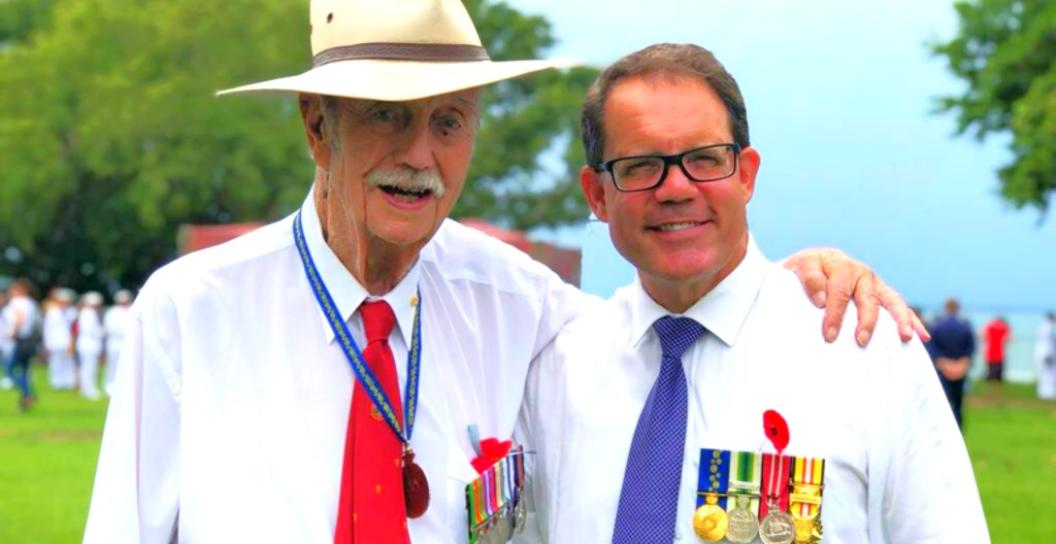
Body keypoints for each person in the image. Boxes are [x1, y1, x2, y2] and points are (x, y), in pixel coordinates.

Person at [84, 2, 924, 542]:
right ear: (317, 126)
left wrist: (795, 281)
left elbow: (673, 311)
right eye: (387, 117)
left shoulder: (521, 305)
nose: (421, 155)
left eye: (449, 122)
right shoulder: (194, 310)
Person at [521, 43, 985, 543]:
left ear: (745, 175)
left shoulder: (866, 354)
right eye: (640, 166)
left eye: (704, 160)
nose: (675, 188)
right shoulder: (557, 369)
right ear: (597, 194)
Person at [927, 298, 976, 428]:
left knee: (942, 401)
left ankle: (943, 429)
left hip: (942, 369)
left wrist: (944, 364)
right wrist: (962, 365)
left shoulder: (936, 326)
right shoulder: (965, 327)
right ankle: (958, 429)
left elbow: (932, 348)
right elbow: (970, 348)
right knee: (958, 403)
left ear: (946, 308)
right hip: (960, 369)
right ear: (958, 309)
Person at [3, 278, 41, 410]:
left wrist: (12, 332)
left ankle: (28, 393)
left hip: (21, 340)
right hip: (30, 340)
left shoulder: (17, 302)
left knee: (10, 370)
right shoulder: (32, 303)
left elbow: (19, 318)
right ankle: (25, 398)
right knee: (24, 370)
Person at [43, 287, 77, 390]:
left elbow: (74, 329)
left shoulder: (73, 312)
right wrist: (47, 343)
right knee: (56, 362)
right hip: (55, 341)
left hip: (68, 341)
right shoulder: (52, 312)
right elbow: (47, 329)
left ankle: (68, 381)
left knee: (68, 362)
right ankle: (56, 382)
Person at [102, 289, 134, 396]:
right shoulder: (112, 312)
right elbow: (110, 328)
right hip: (115, 341)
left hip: (128, 341)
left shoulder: (132, 310)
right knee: (113, 365)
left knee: (128, 366)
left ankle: (125, 388)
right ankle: (109, 387)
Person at [76, 291, 105, 401]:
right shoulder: (89, 313)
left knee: (87, 368)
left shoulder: (85, 312)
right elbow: (91, 330)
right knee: (89, 368)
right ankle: (89, 390)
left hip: (86, 344)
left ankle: (85, 389)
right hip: (89, 344)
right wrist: (102, 332)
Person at [981, 315, 1011, 384]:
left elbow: (982, 336)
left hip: (989, 353)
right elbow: (1010, 339)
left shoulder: (989, 326)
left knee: (990, 374)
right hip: (1000, 354)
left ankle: (989, 389)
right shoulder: (1004, 327)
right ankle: (997, 390)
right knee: (998, 376)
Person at [1036, 312, 1056, 400]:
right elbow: (1047, 342)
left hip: (1046, 353)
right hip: (1047, 354)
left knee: (1047, 373)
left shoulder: (1046, 327)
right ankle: (1046, 393)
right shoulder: (1047, 327)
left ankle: (1047, 393)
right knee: (1047, 374)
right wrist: (1049, 353)